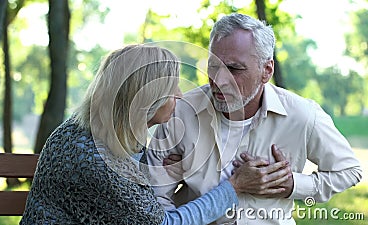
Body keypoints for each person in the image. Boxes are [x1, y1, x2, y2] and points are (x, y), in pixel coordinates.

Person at [20, 44, 290, 225]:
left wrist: (157, 168)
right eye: (172, 87)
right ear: (149, 99)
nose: (180, 95)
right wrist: (234, 186)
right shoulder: (94, 159)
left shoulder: (87, 132)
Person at [147, 13, 362, 225]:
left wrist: (292, 185)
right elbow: (155, 198)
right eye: (213, 66)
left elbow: (349, 171)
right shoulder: (181, 112)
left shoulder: (303, 116)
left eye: (234, 69)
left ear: (266, 71)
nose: (219, 80)